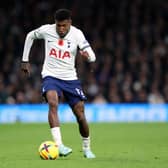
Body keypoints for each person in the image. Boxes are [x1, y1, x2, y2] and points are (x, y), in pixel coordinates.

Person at [21, 9, 96, 159]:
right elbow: (30, 36)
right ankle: (59, 145)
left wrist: (88, 57)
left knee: (80, 115)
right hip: (51, 76)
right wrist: (25, 60)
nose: (61, 29)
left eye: (64, 26)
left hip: (70, 79)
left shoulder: (77, 34)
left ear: (70, 23)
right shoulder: (46, 30)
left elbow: (92, 56)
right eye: (58, 26)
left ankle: (87, 148)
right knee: (52, 102)